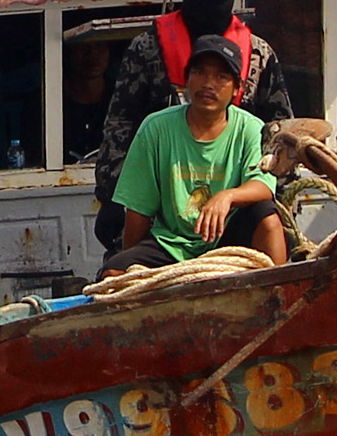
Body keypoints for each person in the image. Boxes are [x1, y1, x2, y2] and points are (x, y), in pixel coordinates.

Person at [91, 0, 296, 254]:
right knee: (119, 269)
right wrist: (110, 196)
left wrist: (280, 196)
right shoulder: (148, 48)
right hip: (166, 196)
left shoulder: (259, 54)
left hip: (237, 198)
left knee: (271, 225)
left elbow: (282, 133)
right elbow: (120, 124)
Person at [103, 38, 289, 273]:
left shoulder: (251, 128)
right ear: (186, 80)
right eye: (199, 72)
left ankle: (280, 296)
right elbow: (139, 207)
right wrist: (130, 264)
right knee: (113, 273)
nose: (208, 84)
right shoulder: (156, 127)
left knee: (267, 216)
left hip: (227, 241)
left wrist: (226, 197)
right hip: (172, 244)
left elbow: (264, 186)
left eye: (221, 76)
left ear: (236, 88)